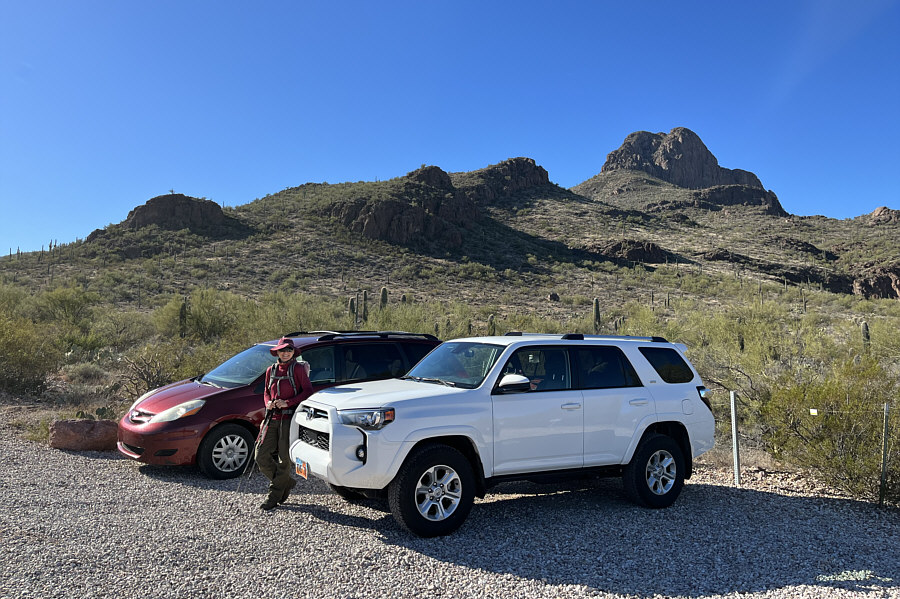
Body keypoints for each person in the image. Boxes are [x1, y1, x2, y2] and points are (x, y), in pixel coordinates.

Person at [257, 336, 312, 511]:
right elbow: (266, 392)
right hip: (272, 418)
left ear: (293, 352)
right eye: (283, 350)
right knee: (260, 456)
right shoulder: (270, 370)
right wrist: (268, 403)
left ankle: (274, 496)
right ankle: (286, 482)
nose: (286, 353)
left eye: (289, 350)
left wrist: (287, 403)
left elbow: (308, 391)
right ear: (278, 352)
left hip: (289, 420)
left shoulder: (298, 369)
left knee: (284, 460)